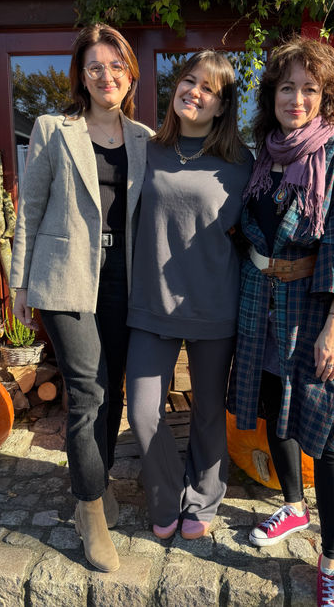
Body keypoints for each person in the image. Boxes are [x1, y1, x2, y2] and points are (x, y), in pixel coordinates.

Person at [228, 37, 334, 607]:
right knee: (276, 414)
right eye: (287, 87)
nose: (297, 98)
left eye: (309, 89)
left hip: (314, 312)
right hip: (259, 307)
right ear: (272, 94)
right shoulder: (260, 158)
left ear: (325, 96)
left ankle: (332, 563)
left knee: (331, 439)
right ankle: (293, 506)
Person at [9, 24, 154, 572]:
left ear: (130, 73)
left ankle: (99, 478)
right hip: (64, 277)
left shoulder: (145, 138)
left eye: (116, 65)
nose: (106, 75)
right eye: (95, 66)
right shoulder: (54, 129)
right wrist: (20, 284)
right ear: (82, 75)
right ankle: (89, 509)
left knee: (113, 391)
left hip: (124, 280)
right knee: (89, 390)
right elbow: (31, 207)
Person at [125, 51, 253, 541]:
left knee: (207, 411)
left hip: (214, 305)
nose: (194, 92)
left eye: (209, 89)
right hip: (150, 304)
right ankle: (164, 496)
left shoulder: (242, 164)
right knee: (142, 411)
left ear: (222, 106)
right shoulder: (147, 150)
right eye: (189, 80)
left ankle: (203, 495)